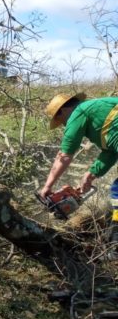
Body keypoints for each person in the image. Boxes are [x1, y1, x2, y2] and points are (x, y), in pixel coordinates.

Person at [40, 92, 118, 238]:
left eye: (61, 121)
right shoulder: (98, 112)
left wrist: (47, 186)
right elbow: (111, 152)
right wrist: (91, 174)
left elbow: (64, 156)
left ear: (62, 111)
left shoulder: (79, 111)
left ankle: (115, 243)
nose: (64, 125)